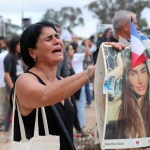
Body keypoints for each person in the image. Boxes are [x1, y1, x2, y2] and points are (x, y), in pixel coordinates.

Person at [12, 21, 95, 150]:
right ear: (32, 52)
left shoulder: (60, 80)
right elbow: (44, 95)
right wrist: (92, 71)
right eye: (48, 39)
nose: (57, 41)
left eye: (57, 36)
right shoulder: (24, 80)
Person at [105, 49, 150, 139]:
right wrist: (119, 69)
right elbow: (105, 87)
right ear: (125, 77)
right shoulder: (117, 106)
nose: (140, 80)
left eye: (143, 71)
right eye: (133, 74)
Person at [4, 36, 21, 133]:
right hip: (12, 86)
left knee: (13, 107)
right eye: (18, 44)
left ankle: (9, 128)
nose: (20, 46)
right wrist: (12, 87)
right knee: (12, 107)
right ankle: (7, 128)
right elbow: (7, 74)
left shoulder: (17, 56)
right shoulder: (9, 57)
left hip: (18, 85)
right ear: (14, 45)